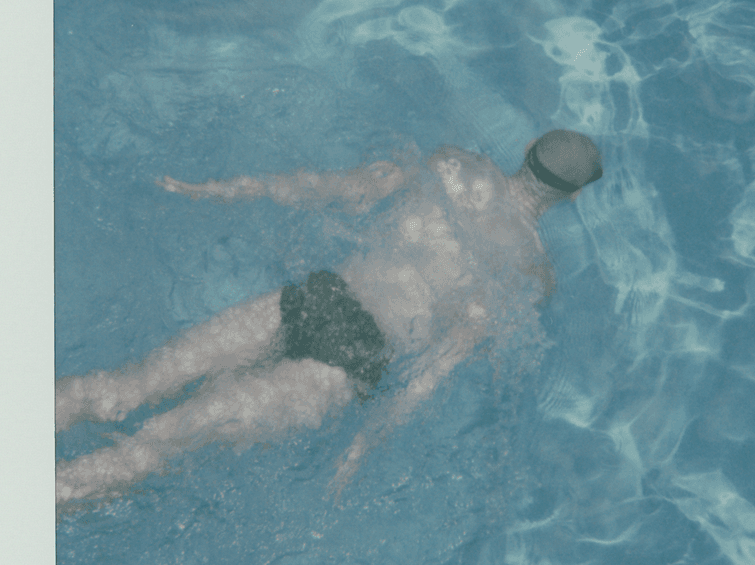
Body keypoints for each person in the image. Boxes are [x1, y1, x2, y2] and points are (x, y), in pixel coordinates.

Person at [55, 129, 604, 505]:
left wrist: (224, 190)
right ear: (574, 196)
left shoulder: (450, 166)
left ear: (527, 147)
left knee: (123, 388)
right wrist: (362, 447)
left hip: (313, 298)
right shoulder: (530, 275)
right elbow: (433, 373)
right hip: (343, 366)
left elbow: (331, 188)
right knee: (160, 443)